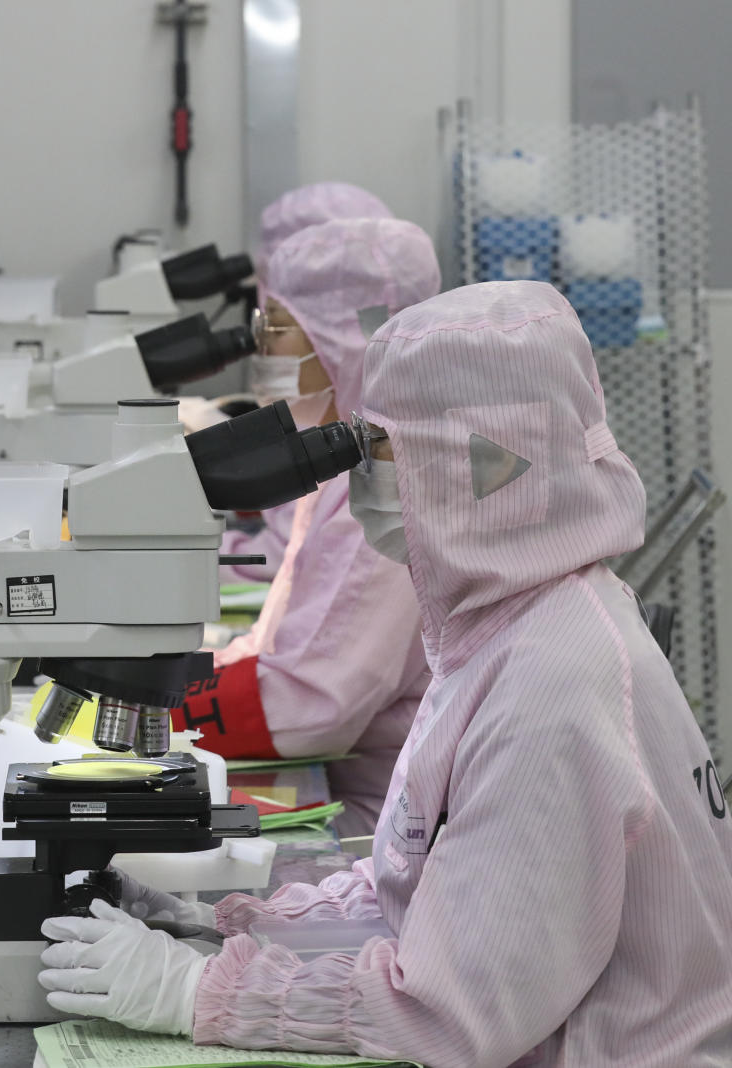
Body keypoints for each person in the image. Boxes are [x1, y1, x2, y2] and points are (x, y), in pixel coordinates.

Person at [39, 281, 732, 1066]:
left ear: (475, 461)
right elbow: (425, 891)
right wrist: (221, 928)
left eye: (379, 448)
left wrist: (200, 995)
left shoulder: (552, 683)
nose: (360, 475)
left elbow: (452, 1012)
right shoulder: (506, 625)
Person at [173, 215, 442, 836]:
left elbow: (310, 702)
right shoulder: (351, 455)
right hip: (363, 784)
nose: (263, 350)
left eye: (278, 327)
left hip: (384, 822)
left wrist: (146, 707)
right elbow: (281, 646)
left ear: (342, 335)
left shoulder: (389, 473)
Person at [221, 181, 394, 584]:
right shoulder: (338, 426)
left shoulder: (377, 463)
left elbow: (292, 561)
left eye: (277, 324)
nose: (263, 344)